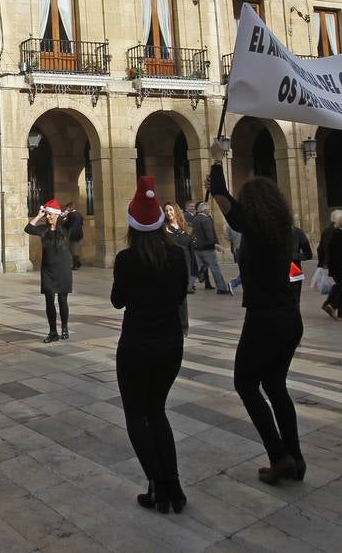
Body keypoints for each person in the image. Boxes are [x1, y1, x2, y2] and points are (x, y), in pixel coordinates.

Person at [207, 140, 306, 485]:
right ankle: (296, 457)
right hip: (290, 318)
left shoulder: (256, 230)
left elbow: (220, 195)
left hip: (265, 318)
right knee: (276, 386)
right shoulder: (282, 231)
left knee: (246, 384)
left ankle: (279, 457)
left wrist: (216, 160)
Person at [112, 176, 188, 514]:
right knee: (156, 410)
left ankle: (157, 485)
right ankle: (174, 487)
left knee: (135, 415)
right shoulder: (177, 257)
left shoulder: (127, 260)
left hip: (137, 346)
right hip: (171, 345)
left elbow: (118, 301)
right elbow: (178, 295)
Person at [25, 199, 75, 342]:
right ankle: (53, 332)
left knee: (62, 301)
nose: (48, 217)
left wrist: (65, 213)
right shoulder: (43, 230)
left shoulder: (65, 229)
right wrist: (39, 215)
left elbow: (76, 219)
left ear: (57, 215)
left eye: (50, 215)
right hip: (47, 271)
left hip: (63, 270)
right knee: (49, 301)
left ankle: (64, 328)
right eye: (47, 215)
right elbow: (28, 228)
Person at [190, 201, 230, 294]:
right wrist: (215, 245)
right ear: (205, 210)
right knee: (215, 268)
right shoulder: (207, 219)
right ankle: (222, 288)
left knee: (196, 268)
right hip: (207, 249)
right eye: (208, 208)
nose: (209, 210)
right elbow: (210, 234)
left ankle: (189, 286)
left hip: (197, 248)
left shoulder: (195, 219)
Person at [61, 201, 85, 269]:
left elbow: (64, 224)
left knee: (73, 250)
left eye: (67, 208)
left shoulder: (70, 215)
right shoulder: (79, 214)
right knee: (75, 249)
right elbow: (82, 223)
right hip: (79, 234)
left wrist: (64, 217)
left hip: (72, 234)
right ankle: (78, 263)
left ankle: (75, 265)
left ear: (70, 208)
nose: (66, 209)